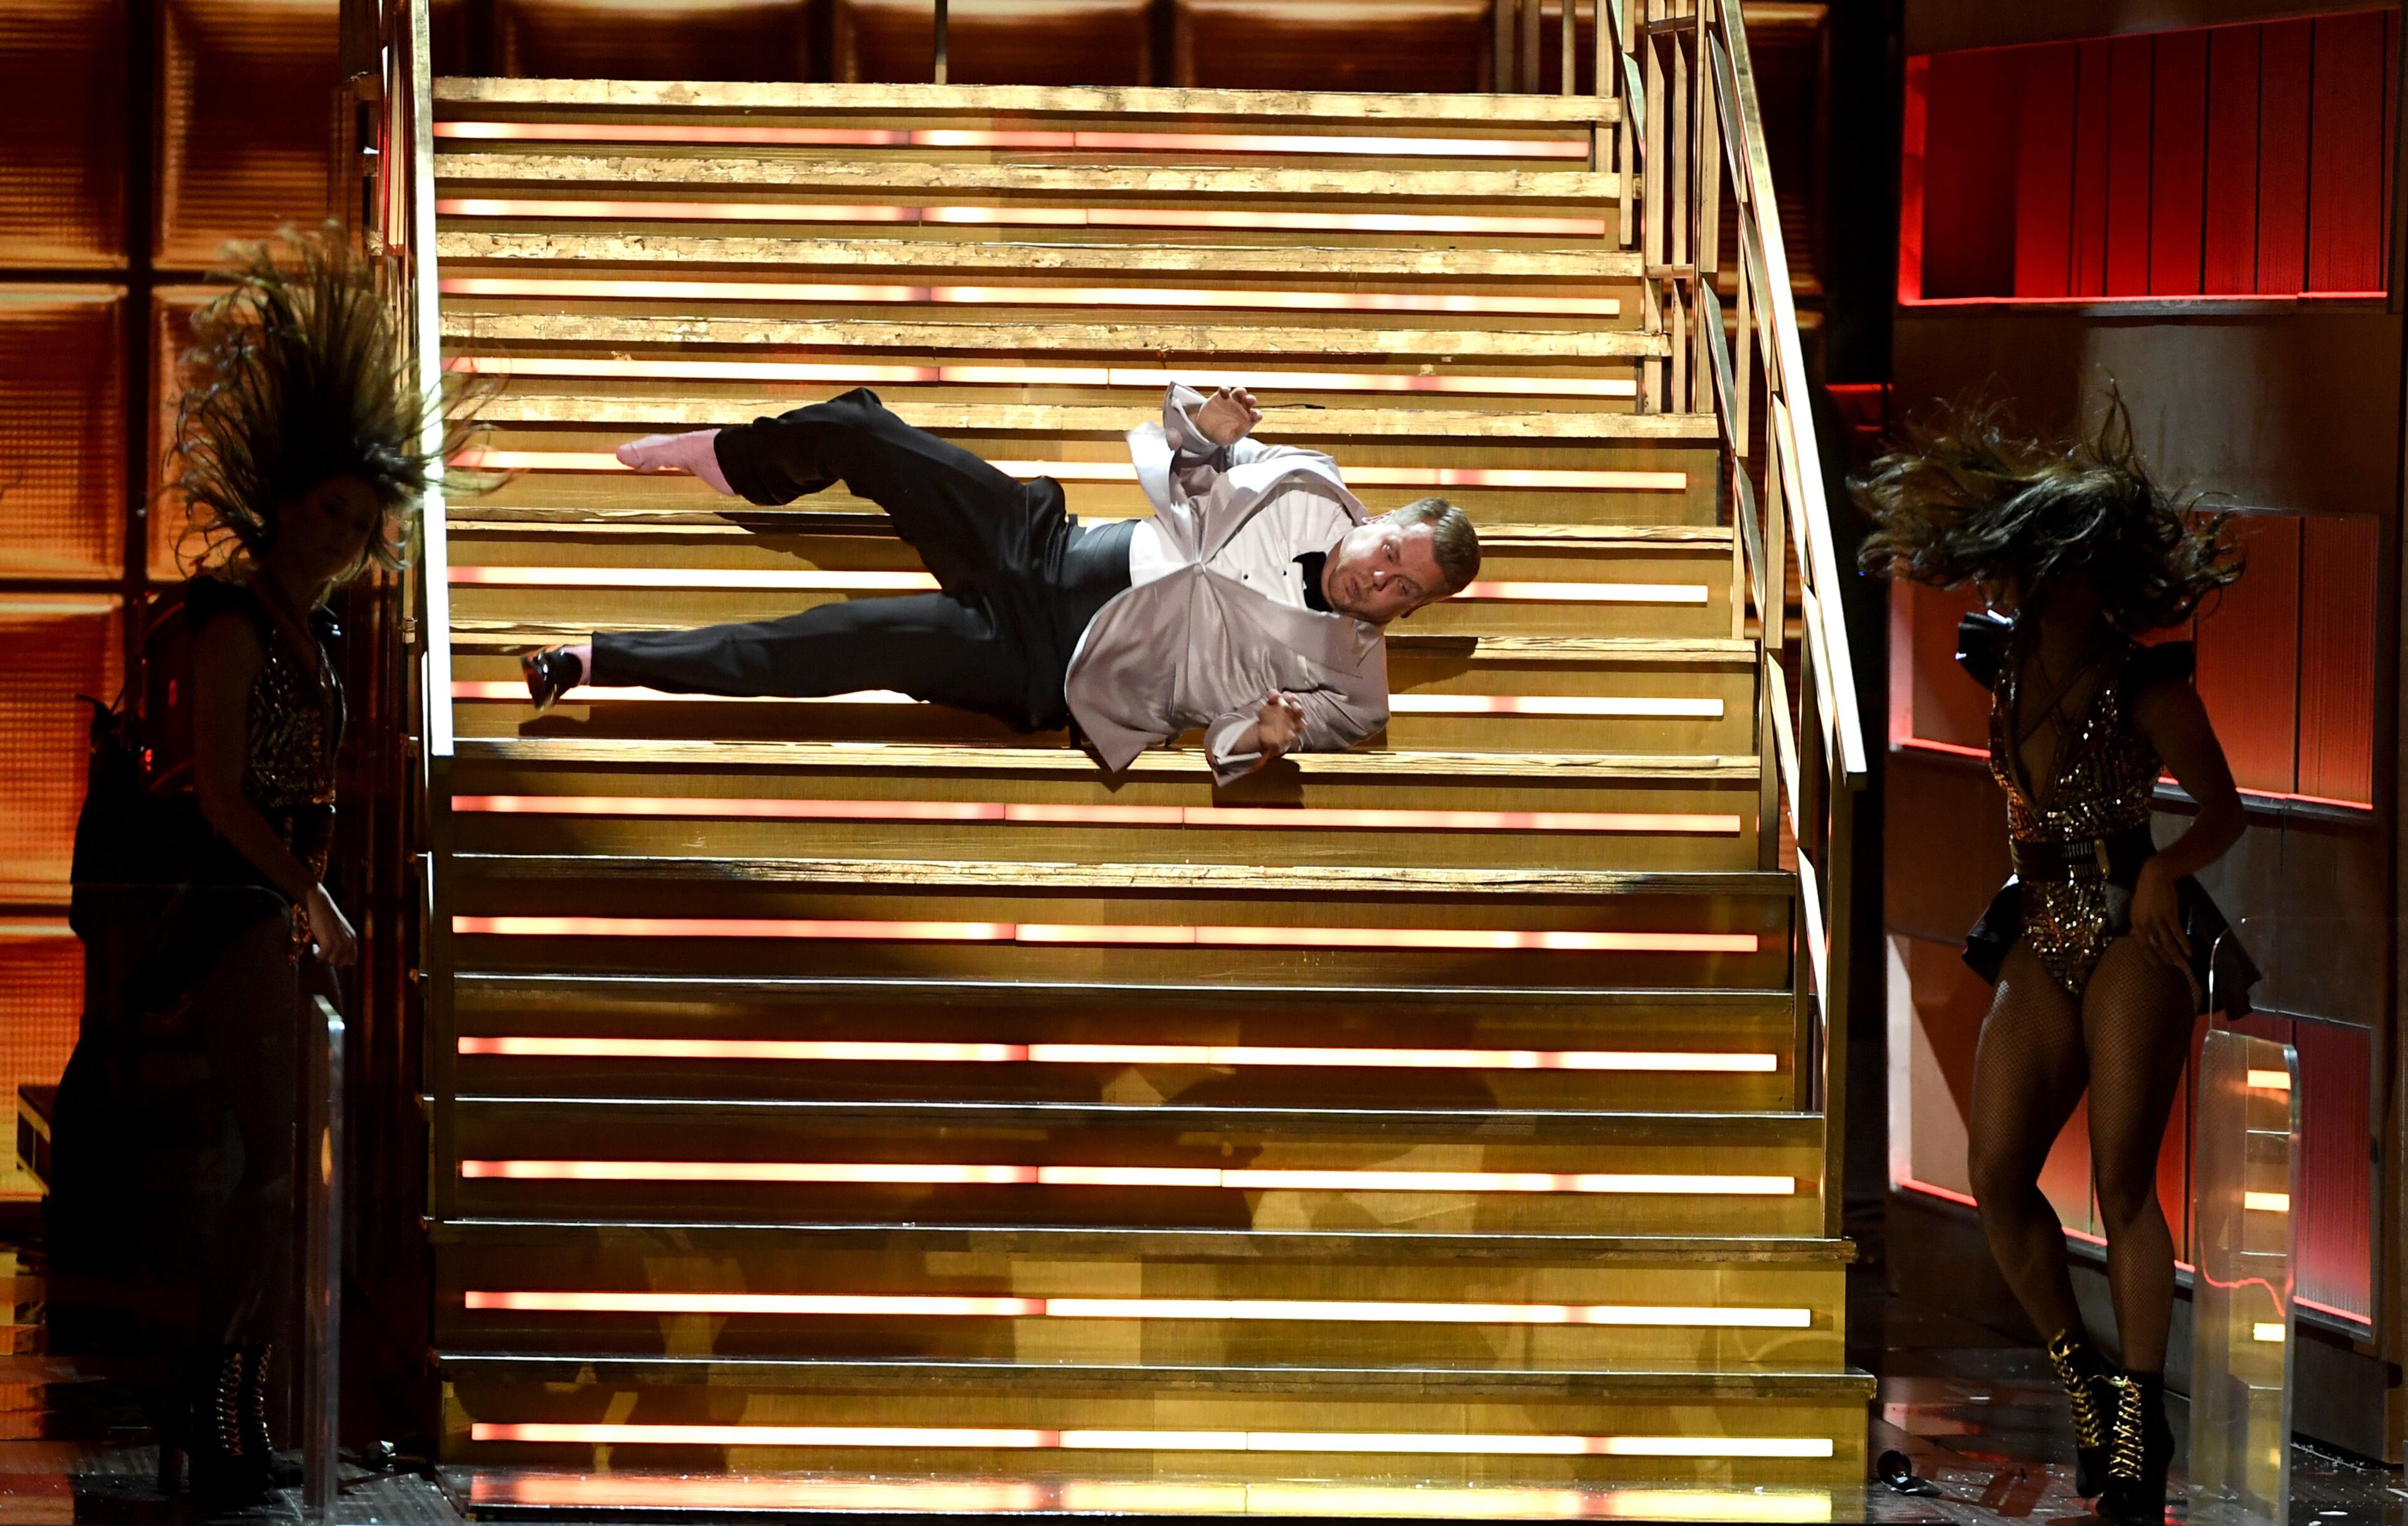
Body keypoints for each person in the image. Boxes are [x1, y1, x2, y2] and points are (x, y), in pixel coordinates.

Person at [1856, 394, 2254, 1526]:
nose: (2025, 582)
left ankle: (2137, 1412)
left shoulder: (2150, 685)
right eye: (2022, 563)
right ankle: (2082, 1375)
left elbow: (2225, 813)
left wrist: (2167, 874)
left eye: (2048, 564)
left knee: (2123, 1182)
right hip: (2038, 923)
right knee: (1995, 1175)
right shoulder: (2003, 652)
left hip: (2134, 930)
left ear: (2096, 575)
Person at [129, 226, 436, 1505]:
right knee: (270, 1162)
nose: (348, 537)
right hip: (237, 905)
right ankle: (208, 1397)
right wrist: (308, 889)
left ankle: (239, 1398)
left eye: (365, 524)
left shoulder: (309, 629)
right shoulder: (234, 616)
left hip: (282, 906)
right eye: (332, 512)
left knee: (286, 1168)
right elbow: (213, 780)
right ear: (287, 503)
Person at [519, 383, 1482, 783]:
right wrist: (1209, 416)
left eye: (1403, 591)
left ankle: (596, 659)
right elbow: (1189, 443)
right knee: (867, 431)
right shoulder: (1312, 482)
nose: (1379, 579)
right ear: (1381, 519)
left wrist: (1264, 735)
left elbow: (1230, 747)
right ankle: (734, 459)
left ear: (1412, 612)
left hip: (1051, 663)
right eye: (1391, 551)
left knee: (840, 639)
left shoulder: (1354, 690)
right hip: (1051, 547)